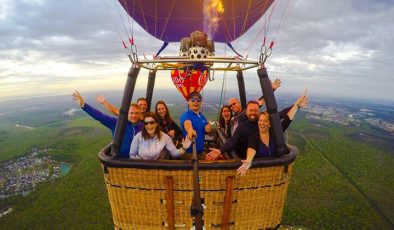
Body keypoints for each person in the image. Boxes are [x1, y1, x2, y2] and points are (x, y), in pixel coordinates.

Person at [207, 91, 309, 160]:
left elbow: (282, 115)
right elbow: (233, 140)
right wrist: (220, 150)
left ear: (259, 111)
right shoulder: (242, 126)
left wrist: (297, 105)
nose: (253, 112)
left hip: (265, 156)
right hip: (250, 157)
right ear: (246, 112)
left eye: (255, 110)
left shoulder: (264, 121)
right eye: (251, 110)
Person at [237, 94, 309, 175]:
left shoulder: (275, 133)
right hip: (259, 173)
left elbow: (288, 119)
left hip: (275, 173)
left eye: (265, 121)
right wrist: (249, 160)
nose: (262, 123)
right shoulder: (254, 137)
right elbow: (251, 149)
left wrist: (296, 105)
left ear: (269, 124)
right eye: (260, 120)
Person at [72, 91, 143, 158]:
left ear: (140, 114)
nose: (134, 115)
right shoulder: (117, 123)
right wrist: (83, 105)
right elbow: (100, 116)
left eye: (136, 113)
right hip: (120, 162)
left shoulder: (143, 126)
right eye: (131, 113)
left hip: (137, 162)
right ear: (127, 113)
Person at [180, 91, 212, 159]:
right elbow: (187, 124)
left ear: (200, 102)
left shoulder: (202, 117)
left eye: (198, 100)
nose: (195, 102)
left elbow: (208, 133)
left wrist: (209, 130)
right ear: (188, 102)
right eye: (193, 100)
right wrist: (190, 130)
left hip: (201, 152)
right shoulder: (186, 115)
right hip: (189, 154)